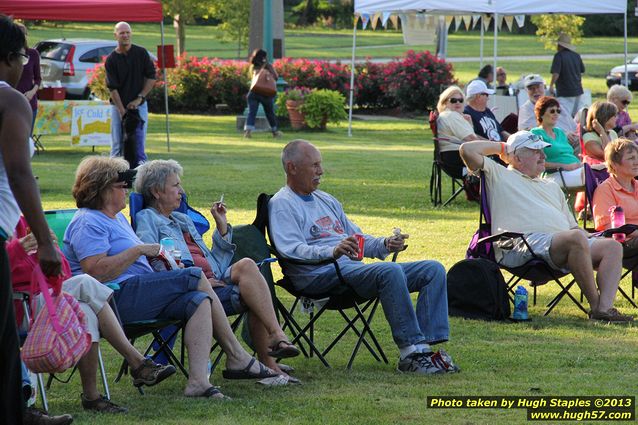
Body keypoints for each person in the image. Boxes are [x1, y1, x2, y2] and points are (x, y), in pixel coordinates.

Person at [63, 156, 280, 400]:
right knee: (194, 275)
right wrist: (138, 250)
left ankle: (198, 382)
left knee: (198, 300)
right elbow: (95, 272)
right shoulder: (88, 221)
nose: (128, 190)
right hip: (114, 299)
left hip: (142, 294)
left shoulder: (118, 219)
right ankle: (237, 356)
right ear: (103, 188)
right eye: (122, 186)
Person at [268, 140, 459, 374]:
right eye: (314, 165)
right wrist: (332, 251)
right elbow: (291, 249)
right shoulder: (282, 204)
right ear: (292, 168)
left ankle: (425, 348)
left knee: (433, 269)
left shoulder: (325, 200)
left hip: (348, 271)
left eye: (321, 164)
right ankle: (410, 354)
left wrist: (385, 244)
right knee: (390, 271)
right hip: (318, 277)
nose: (321, 171)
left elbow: (356, 238)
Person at [133, 159, 299, 376]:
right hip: (187, 288)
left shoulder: (183, 219)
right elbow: (154, 258)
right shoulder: (147, 219)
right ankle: (270, 360)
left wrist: (221, 228)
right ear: (156, 191)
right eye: (175, 185)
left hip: (214, 280)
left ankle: (277, 336)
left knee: (247, 265)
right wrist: (194, 280)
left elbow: (215, 265)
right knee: (252, 295)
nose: (181, 191)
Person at [459, 131, 633, 322]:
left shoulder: (551, 186)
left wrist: (592, 236)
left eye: (542, 151)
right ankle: (595, 307)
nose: (543, 156)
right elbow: (466, 150)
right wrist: (502, 147)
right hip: (521, 243)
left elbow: (573, 228)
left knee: (612, 246)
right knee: (575, 240)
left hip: (563, 243)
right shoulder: (498, 174)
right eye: (536, 151)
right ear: (516, 157)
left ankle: (605, 308)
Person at [8, 216, 176, 413]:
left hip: (40, 300)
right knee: (85, 283)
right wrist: (20, 251)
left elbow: (63, 273)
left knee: (86, 310)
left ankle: (92, 396)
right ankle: (137, 362)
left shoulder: (22, 222)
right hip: (16, 309)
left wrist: (51, 250)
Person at [0, 14, 73, 425]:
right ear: (11, 57)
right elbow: (18, 170)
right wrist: (45, 240)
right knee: (4, 339)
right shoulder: (9, 99)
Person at [105, 21, 156, 168]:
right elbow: (112, 88)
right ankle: (113, 177)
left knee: (139, 143)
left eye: (127, 32)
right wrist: (122, 111)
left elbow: (151, 77)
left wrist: (139, 98)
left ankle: (141, 177)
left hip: (139, 106)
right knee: (117, 145)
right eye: (122, 33)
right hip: (118, 106)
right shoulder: (111, 59)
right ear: (116, 35)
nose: (125, 35)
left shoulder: (141, 53)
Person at [530, 96, 584, 189]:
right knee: (592, 173)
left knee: (601, 169)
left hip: (574, 171)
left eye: (558, 111)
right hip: (555, 174)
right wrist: (565, 166)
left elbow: (568, 154)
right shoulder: (536, 133)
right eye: (552, 111)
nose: (556, 114)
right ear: (541, 113)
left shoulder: (560, 132)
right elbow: (537, 162)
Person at [435, 86, 487, 177]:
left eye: (461, 100)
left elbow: (472, 138)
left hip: (450, 159)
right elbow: (472, 139)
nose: (458, 103)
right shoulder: (450, 116)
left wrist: (469, 124)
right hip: (459, 160)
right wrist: (496, 146)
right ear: (445, 102)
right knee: (499, 162)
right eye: (453, 100)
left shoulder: (448, 116)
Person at [593, 139, 638, 242]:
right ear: (614, 164)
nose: (637, 162)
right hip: (625, 242)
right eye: (631, 158)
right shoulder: (605, 190)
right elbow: (610, 229)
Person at [518, 74, 579, 149]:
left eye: (538, 87)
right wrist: (563, 135)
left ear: (544, 87)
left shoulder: (555, 104)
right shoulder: (526, 109)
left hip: (570, 139)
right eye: (531, 89)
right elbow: (531, 132)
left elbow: (573, 125)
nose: (535, 91)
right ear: (526, 91)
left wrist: (573, 134)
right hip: (550, 143)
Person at [244, 49, 282, 139]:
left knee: (251, 113)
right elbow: (276, 77)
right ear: (264, 57)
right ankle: (275, 132)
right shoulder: (268, 66)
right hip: (266, 93)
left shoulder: (253, 66)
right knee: (269, 113)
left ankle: (248, 132)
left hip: (254, 92)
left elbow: (252, 77)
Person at [549, 33, 586, 118]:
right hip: (578, 90)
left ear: (560, 45)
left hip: (565, 91)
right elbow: (582, 71)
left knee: (564, 117)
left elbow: (556, 73)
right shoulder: (576, 55)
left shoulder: (559, 56)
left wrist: (551, 85)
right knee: (577, 117)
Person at [15, 23, 40, 135]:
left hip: (29, 102)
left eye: (24, 34)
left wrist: (32, 92)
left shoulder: (33, 54)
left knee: (27, 137)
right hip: (13, 101)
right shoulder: (9, 54)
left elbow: (38, 78)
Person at [583, 101, 618, 166]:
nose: (617, 118)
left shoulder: (612, 133)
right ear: (605, 117)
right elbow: (608, 156)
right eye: (615, 116)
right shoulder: (588, 137)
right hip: (599, 171)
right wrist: (602, 132)